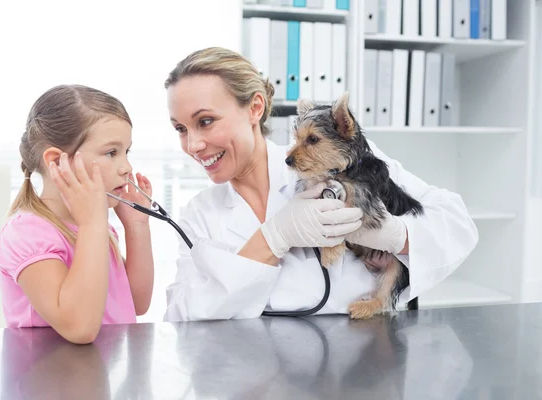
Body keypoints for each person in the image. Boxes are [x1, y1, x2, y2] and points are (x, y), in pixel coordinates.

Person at [162, 47, 479, 322]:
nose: (193, 145)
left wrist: (397, 235)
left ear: (255, 108)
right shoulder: (199, 214)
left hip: (365, 367)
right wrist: (273, 237)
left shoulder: (339, 158)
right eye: (180, 128)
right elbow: (182, 314)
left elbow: (457, 224)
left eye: (205, 121)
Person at [0, 84, 155, 344]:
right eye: (111, 152)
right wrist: (93, 224)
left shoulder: (95, 229)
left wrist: (137, 227)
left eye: (127, 152)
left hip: (95, 378)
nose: (126, 167)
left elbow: (136, 303)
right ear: (57, 161)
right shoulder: (27, 232)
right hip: (49, 380)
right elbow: (79, 328)